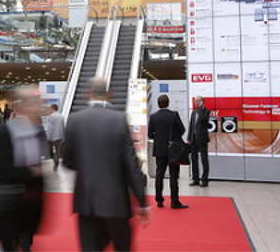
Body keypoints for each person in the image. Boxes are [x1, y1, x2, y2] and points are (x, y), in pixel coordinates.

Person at [64, 78, 149, 252]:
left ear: (88, 94)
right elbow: (131, 164)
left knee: (90, 248)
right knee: (123, 246)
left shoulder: (75, 119)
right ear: (110, 94)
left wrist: (88, 167)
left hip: (86, 202)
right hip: (115, 202)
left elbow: (68, 161)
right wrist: (142, 201)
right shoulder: (119, 119)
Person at [0, 88, 46, 252]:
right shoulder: (2, 132)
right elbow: (3, 169)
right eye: (33, 103)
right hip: (9, 198)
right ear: (19, 105)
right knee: (9, 242)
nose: (37, 107)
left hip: (31, 198)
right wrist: (32, 172)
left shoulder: (38, 131)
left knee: (27, 239)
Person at [148, 94, 188, 209]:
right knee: (174, 175)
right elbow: (182, 129)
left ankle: (159, 200)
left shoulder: (153, 117)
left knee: (159, 174)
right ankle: (174, 201)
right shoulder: (174, 115)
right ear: (168, 103)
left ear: (158, 104)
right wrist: (174, 138)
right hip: (173, 150)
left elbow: (150, 134)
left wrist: (159, 138)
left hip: (160, 150)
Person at [188, 96, 211, 187]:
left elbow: (203, 119)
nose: (195, 103)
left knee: (204, 160)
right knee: (194, 160)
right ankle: (195, 179)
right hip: (194, 139)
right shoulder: (193, 113)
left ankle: (204, 179)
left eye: (197, 101)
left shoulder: (206, 111)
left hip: (202, 139)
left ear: (201, 102)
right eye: (194, 101)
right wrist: (188, 138)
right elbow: (191, 126)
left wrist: (200, 109)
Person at [46, 104, 65, 171]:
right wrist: (63, 136)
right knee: (58, 150)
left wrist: (48, 136)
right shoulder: (61, 116)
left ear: (52, 108)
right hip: (59, 136)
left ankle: (55, 161)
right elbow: (63, 126)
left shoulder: (51, 116)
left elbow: (50, 127)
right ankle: (56, 161)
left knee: (52, 150)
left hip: (53, 136)